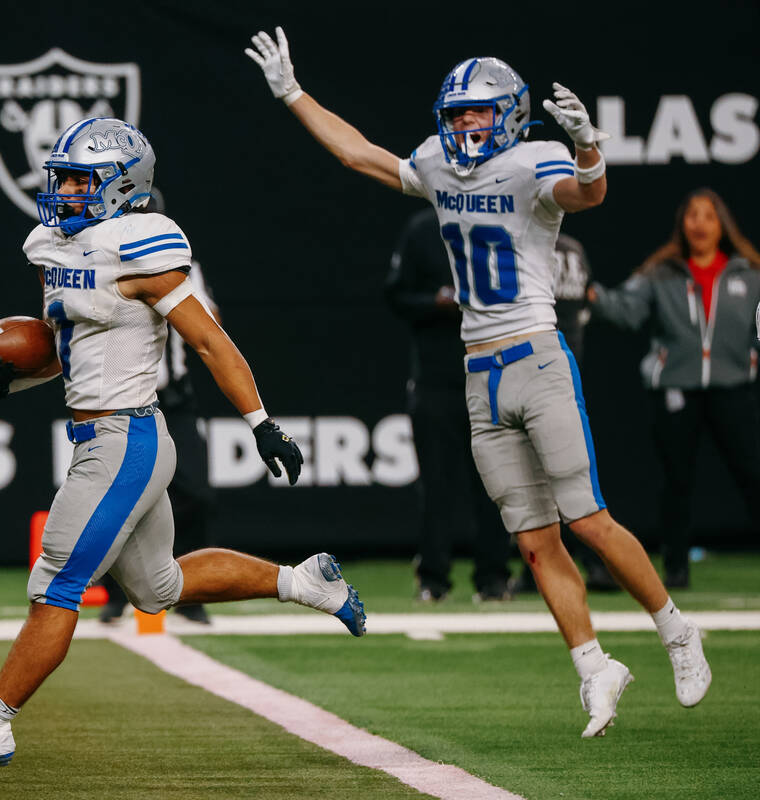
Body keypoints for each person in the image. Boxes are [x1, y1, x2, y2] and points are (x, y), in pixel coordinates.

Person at [246, 28, 710, 737]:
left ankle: (677, 631)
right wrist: (292, 94)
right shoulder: (437, 162)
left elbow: (587, 194)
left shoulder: (532, 160)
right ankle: (595, 668)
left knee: (587, 518)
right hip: (477, 373)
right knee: (532, 538)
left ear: (511, 113)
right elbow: (358, 153)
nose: (465, 124)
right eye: (456, 112)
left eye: (478, 111)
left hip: (536, 357)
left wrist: (588, 145)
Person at [0, 117, 366, 769]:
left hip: (126, 441)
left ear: (124, 186)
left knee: (56, 585)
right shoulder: (52, 245)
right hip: (105, 437)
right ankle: (306, 581)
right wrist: (16, 378)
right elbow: (72, 349)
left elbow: (209, 342)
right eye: (62, 179)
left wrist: (261, 422)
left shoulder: (141, 246)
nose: (64, 192)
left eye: (79, 181)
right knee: (158, 586)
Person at [589, 188, 760, 589]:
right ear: (682, 224)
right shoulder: (661, 273)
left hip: (733, 386)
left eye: (708, 216)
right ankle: (676, 568)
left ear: (722, 226)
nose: (700, 223)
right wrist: (590, 293)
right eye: (692, 215)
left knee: (753, 474)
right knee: (676, 482)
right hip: (676, 389)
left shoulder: (749, 274)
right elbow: (626, 310)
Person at [99, 193, 220, 625]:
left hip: (172, 398)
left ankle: (189, 592)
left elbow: (209, 324)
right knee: (118, 498)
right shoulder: (100, 267)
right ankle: (116, 594)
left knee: (196, 493)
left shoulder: (179, 265)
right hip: (122, 400)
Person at [384, 207, 511, 602]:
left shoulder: (495, 223)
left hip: (490, 376)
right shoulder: (423, 229)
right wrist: (435, 301)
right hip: (436, 377)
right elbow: (396, 294)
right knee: (437, 484)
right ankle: (433, 579)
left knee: (495, 484)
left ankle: (494, 578)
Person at [511, 233, 621, 594]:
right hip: (569, 370)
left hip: (533, 370)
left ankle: (566, 565)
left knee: (544, 477)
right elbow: (584, 309)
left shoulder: (524, 242)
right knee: (572, 474)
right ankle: (595, 563)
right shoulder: (576, 249)